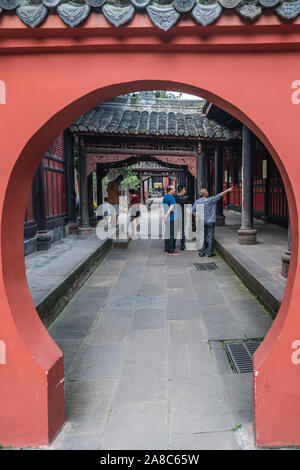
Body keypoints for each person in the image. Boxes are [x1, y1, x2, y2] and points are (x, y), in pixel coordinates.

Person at [192, 186, 234, 257]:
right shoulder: (210, 200)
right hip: (210, 222)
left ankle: (202, 252)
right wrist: (227, 190)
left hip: (202, 221)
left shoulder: (197, 202)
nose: (208, 192)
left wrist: (198, 217)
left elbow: (192, 211)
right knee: (210, 237)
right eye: (206, 192)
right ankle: (210, 252)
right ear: (204, 194)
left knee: (203, 237)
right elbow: (220, 195)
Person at [162, 185, 179, 255]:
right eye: (174, 189)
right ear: (170, 190)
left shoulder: (165, 197)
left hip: (167, 219)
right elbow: (172, 207)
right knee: (172, 234)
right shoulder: (171, 197)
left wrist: (164, 215)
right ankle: (171, 250)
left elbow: (163, 207)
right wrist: (166, 215)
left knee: (167, 233)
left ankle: (166, 248)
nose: (175, 190)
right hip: (172, 218)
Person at [174, 185, 191, 251]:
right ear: (181, 191)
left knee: (175, 231)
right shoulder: (183, 198)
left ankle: (173, 245)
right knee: (182, 232)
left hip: (175, 216)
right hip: (182, 217)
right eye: (184, 190)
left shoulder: (174, 197)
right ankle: (182, 246)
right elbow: (187, 201)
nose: (185, 191)